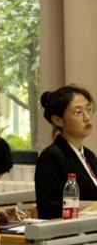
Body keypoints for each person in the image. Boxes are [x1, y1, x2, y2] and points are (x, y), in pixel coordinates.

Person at [35, 85, 97, 219]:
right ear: (58, 120)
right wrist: (93, 205)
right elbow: (50, 208)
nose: (87, 117)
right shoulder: (51, 157)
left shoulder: (89, 155)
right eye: (78, 112)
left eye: (88, 109)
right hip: (71, 230)